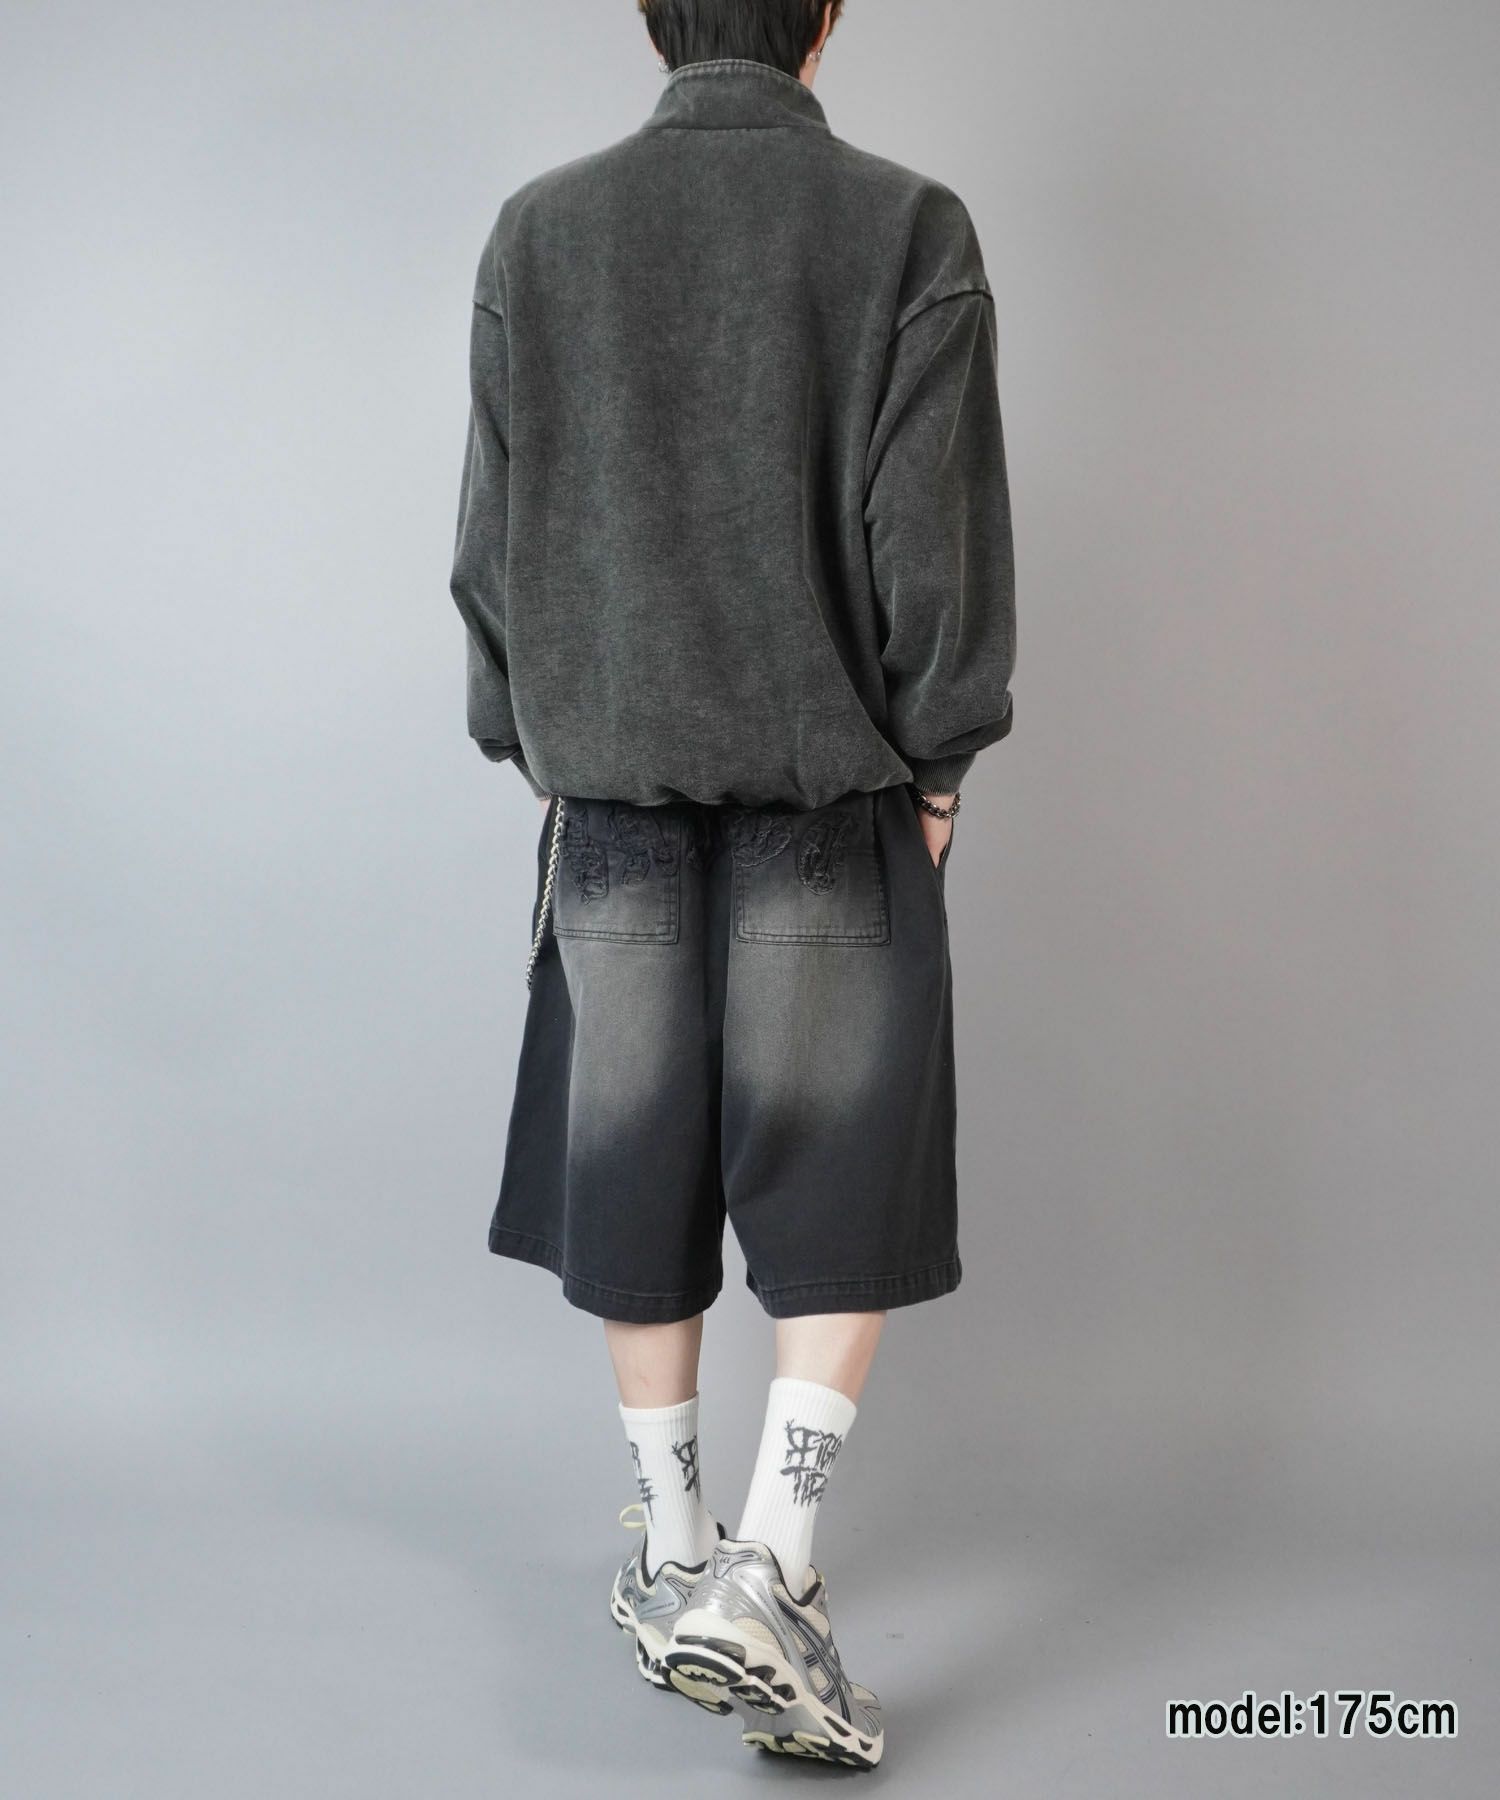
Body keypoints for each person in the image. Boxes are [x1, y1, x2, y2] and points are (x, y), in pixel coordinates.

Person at [448, 0, 1015, 1769]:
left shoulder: (539, 234)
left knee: (636, 1166)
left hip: (613, 801)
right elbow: (936, 550)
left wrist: (538, 734)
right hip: (828, 798)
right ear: (825, 15)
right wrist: (938, 764)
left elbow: (488, 558)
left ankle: (675, 1549)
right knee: (834, 1169)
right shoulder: (906, 227)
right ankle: (774, 1559)